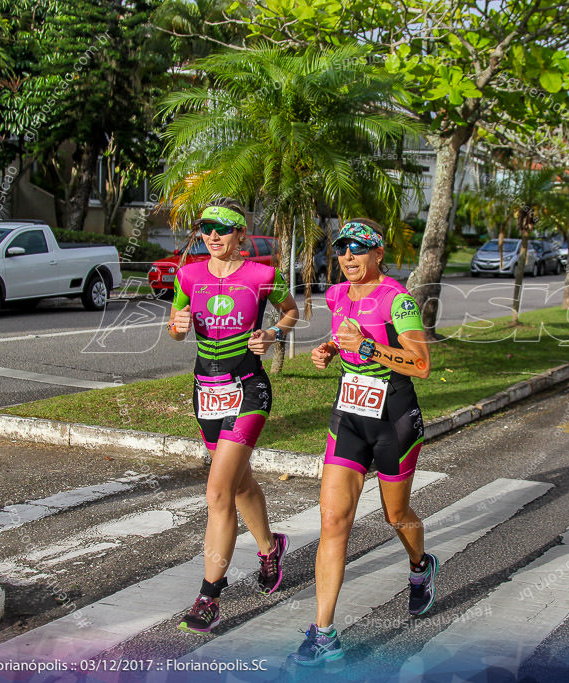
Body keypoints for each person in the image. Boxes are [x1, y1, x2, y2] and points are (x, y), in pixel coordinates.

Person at [291, 219, 433, 666]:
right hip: (349, 415)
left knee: (396, 514)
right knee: (332, 520)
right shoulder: (336, 294)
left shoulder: (399, 300)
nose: (348, 257)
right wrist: (331, 350)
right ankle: (325, 632)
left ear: (377, 254)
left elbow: (421, 364)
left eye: (358, 248)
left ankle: (419, 567)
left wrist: (370, 350)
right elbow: (344, 335)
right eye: (341, 250)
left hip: (393, 418)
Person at [168, 201, 300, 633]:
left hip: (248, 388)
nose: (213, 236)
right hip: (206, 390)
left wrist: (273, 333)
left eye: (223, 229)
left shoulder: (262, 275)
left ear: (241, 234)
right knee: (239, 483)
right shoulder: (188, 275)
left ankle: (209, 596)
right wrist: (178, 325)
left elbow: (293, 310)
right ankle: (269, 547)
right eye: (206, 228)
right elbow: (175, 325)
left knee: (218, 491)